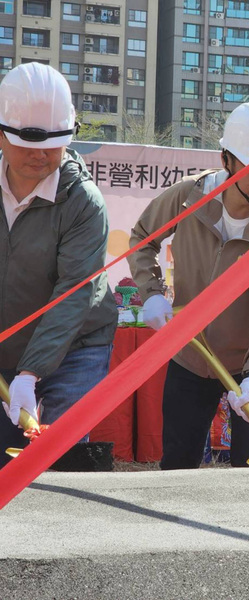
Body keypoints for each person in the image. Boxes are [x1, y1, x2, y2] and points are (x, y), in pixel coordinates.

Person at [127, 101, 249, 469]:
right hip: (191, 355)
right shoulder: (191, 197)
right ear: (227, 160)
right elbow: (143, 238)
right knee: (177, 463)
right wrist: (152, 293)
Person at [0, 63, 118, 468]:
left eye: (53, 143)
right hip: (6, 340)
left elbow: (74, 292)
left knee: (57, 461)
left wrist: (30, 373)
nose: (40, 154)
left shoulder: (83, 202)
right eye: (26, 143)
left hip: (76, 346)